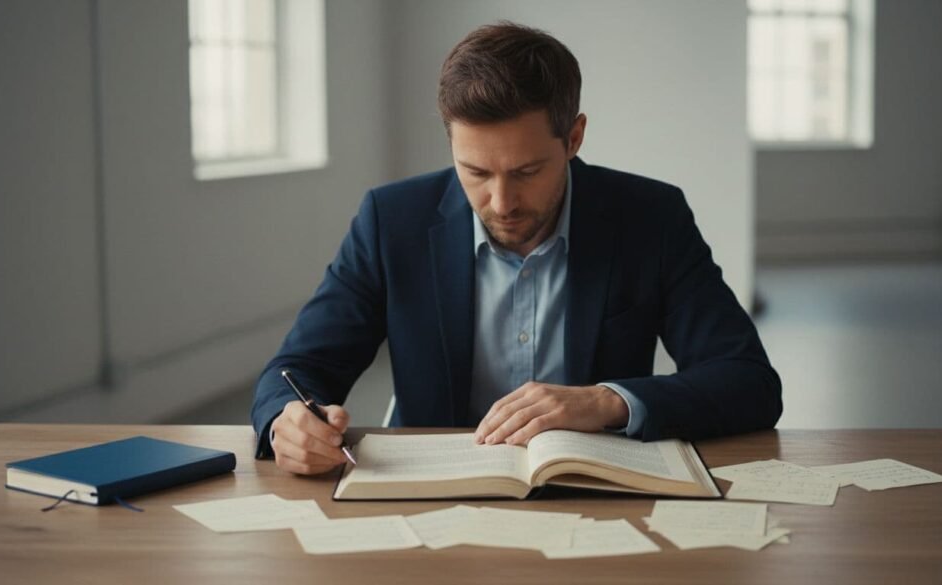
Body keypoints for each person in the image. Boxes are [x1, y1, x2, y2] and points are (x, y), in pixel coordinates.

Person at [251, 22, 782, 475]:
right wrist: (287, 424)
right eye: (475, 171)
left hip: (595, 489)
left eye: (527, 171)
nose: (501, 202)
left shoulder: (652, 218)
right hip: (432, 494)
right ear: (451, 144)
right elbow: (296, 369)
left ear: (574, 139)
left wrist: (606, 401)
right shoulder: (392, 222)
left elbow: (748, 381)